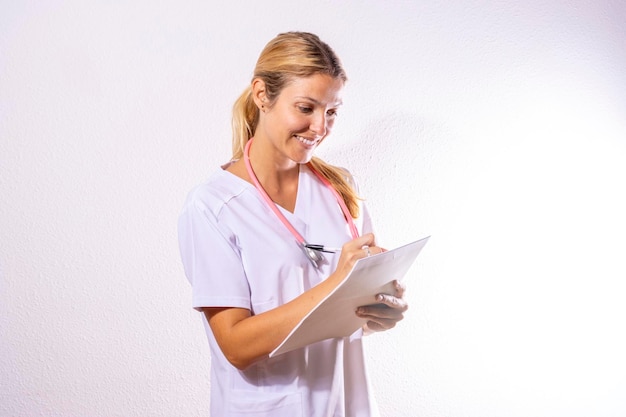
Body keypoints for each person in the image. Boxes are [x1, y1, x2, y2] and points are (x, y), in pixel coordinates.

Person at [177, 31, 408, 417]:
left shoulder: (341, 189)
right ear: (262, 95)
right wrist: (337, 282)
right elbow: (235, 346)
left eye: (331, 112)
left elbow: (345, 315)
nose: (320, 127)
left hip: (346, 406)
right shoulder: (213, 207)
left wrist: (378, 314)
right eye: (306, 108)